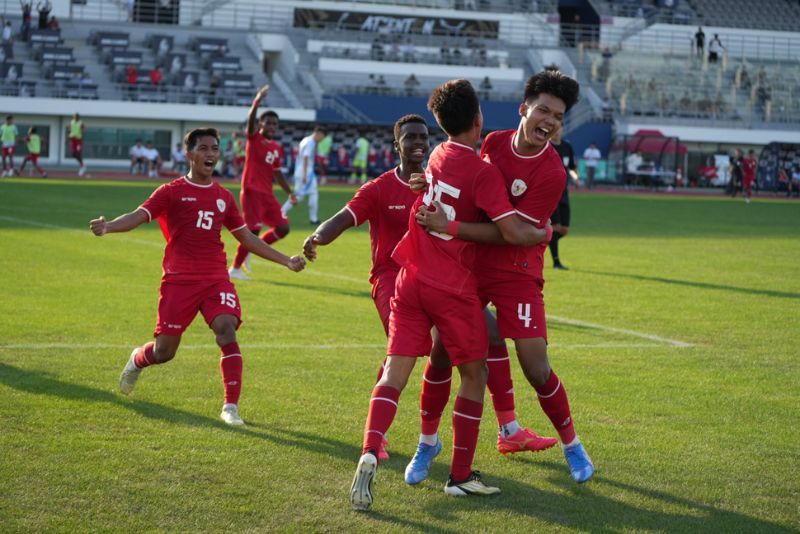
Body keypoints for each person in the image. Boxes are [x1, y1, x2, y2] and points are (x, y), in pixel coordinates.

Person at [349, 79, 552, 511]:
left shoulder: (436, 155)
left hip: (410, 278)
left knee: (394, 373)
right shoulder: (482, 171)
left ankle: (370, 449)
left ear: (438, 125)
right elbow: (511, 231)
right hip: (452, 286)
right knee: (475, 375)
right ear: (479, 120)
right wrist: (543, 231)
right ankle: (459, 476)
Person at [415, 71, 594, 485]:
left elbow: (511, 236)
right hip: (472, 268)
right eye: (543, 110)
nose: (549, 122)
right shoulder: (491, 144)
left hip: (517, 272)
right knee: (442, 350)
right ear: (523, 110)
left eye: (559, 116)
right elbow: (468, 190)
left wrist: (452, 226)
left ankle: (572, 444)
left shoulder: (551, 172)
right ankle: (429, 441)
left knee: (536, 367)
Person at [89, 127, 306, 426]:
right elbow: (138, 216)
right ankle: (138, 359)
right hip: (179, 280)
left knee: (227, 328)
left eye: (214, 149)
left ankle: (231, 407)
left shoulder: (223, 197)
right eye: (203, 148)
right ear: (189, 154)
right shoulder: (171, 192)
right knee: (165, 352)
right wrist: (109, 226)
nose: (211, 154)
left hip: (215, 278)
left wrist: (286, 260)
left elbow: (247, 238)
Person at [229, 85, 296, 280]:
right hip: (251, 191)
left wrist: (289, 192)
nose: (272, 127)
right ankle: (235, 268)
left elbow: (278, 173)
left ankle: (251, 250)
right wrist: (257, 100)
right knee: (253, 230)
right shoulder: (254, 138)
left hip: (267, 194)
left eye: (275, 124)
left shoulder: (276, 147)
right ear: (260, 124)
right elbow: (250, 123)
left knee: (283, 228)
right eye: (268, 123)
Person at [281, 126, 326, 225]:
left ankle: (313, 219)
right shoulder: (310, 143)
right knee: (300, 196)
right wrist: (305, 174)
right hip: (305, 172)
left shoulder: (305, 140)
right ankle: (281, 212)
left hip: (301, 170)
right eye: (322, 137)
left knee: (312, 193)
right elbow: (305, 157)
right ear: (319, 134)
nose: (322, 140)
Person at [550, 126, 580, 270]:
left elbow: (572, 168)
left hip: (564, 192)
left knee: (564, 230)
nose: (557, 131)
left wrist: (576, 178)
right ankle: (556, 262)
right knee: (555, 227)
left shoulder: (567, 146)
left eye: (559, 128)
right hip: (550, 192)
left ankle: (542, 243)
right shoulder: (546, 146)